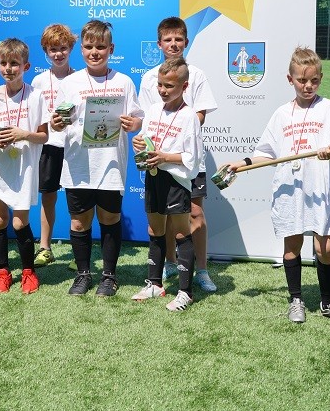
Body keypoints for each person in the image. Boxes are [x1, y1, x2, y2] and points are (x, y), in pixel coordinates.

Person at [226, 47, 330, 324]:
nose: (308, 86)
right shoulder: (282, 114)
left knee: (325, 248)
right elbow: (266, 153)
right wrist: (242, 163)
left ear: (321, 78)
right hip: (289, 188)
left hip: (318, 188)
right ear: (290, 79)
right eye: (301, 80)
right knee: (292, 245)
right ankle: (296, 300)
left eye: (314, 80)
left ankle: (328, 303)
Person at [51, 20, 143, 297]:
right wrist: (56, 122)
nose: (95, 52)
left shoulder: (124, 82)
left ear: (111, 49)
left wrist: (133, 124)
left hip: (110, 163)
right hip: (79, 163)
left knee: (109, 218)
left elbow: (137, 118)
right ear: (81, 49)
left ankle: (109, 276)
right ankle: (82, 274)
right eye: (89, 46)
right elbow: (58, 120)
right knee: (79, 222)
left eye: (101, 47)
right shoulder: (70, 83)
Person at [137, 17, 218, 292]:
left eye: (178, 39)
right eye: (168, 40)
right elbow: (148, 118)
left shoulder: (196, 75)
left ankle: (202, 270)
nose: (173, 44)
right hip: (158, 161)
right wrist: (144, 140)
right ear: (159, 44)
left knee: (194, 213)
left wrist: (176, 138)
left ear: (186, 42)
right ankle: (171, 263)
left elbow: (200, 115)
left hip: (186, 159)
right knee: (164, 215)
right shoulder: (149, 77)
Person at [0, 38, 49, 294]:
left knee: (19, 223)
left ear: (26, 66)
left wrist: (23, 134)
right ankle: (3, 273)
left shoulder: (36, 97)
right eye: (3, 63)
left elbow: (44, 136)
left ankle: (28, 272)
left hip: (23, 171)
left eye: (14, 63)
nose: (8, 68)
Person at [131, 58, 202, 311]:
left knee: (181, 232)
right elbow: (146, 140)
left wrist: (165, 157)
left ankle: (185, 292)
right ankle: (155, 284)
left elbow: (192, 158)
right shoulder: (153, 110)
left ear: (184, 86)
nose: (163, 90)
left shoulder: (189, 116)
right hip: (153, 176)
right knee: (154, 229)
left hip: (176, 180)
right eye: (160, 85)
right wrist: (139, 143)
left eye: (169, 86)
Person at [30, 24, 77, 268]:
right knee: (48, 197)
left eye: (63, 49)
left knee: (76, 198)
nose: (58, 54)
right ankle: (45, 247)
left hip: (74, 145)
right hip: (48, 145)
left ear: (71, 49)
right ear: (45, 51)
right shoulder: (38, 81)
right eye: (53, 50)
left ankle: (78, 250)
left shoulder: (80, 78)